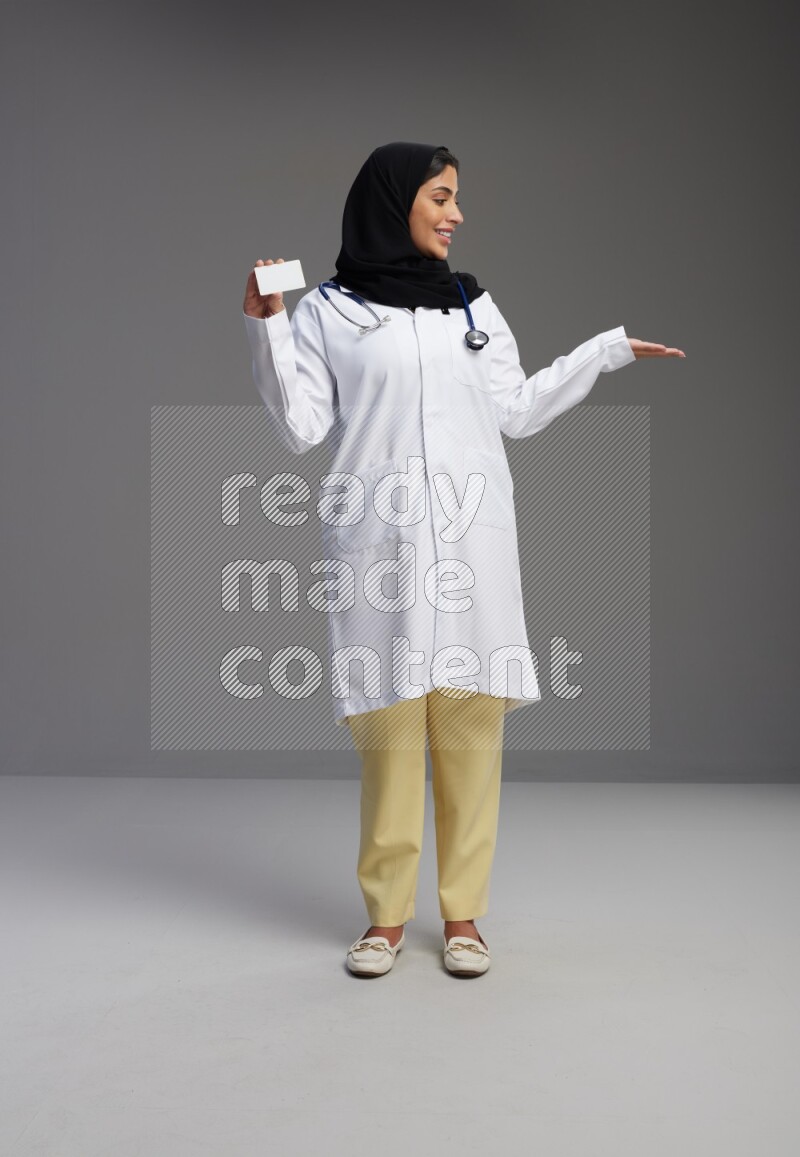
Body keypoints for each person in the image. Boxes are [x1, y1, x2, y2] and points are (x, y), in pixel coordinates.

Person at [242, 141, 685, 978]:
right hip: (379, 542)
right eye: (441, 196)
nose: (456, 213)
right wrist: (266, 320)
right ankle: (383, 919)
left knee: (471, 727)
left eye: (456, 199)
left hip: (473, 543)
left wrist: (607, 350)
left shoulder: (472, 306)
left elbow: (515, 409)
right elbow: (299, 426)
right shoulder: (329, 310)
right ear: (392, 201)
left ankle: (463, 918)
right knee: (390, 731)